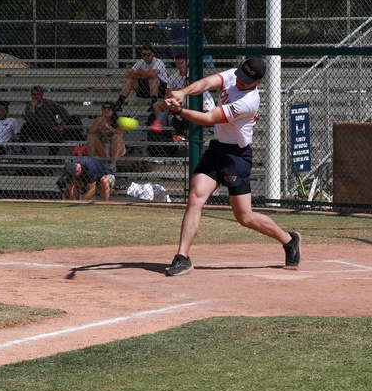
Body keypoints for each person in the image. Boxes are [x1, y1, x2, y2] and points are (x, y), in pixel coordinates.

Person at [163, 56, 301, 276]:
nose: (239, 82)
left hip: (236, 157)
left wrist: (179, 111)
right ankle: (182, 257)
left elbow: (209, 118)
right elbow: (207, 83)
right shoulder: (235, 75)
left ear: (257, 83)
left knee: (244, 217)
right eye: (240, 76)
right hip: (217, 150)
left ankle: (288, 239)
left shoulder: (249, 101)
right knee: (195, 197)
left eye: (246, 80)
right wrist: (183, 92)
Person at [150, 52, 214, 136]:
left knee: (187, 108)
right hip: (179, 104)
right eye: (178, 63)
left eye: (182, 63)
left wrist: (176, 90)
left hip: (199, 108)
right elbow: (167, 92)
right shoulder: (173, 77)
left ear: (187, 63)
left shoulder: (193, 75)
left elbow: (191, 87)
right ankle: (164, 132)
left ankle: (187, 133)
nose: (180, 65)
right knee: (157, 105)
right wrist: (178, 90)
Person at [114, 44, 167, 119]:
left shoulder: (158, 62)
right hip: (145, 89)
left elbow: (152, 74)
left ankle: (154, 103)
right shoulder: (141, 62)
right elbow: (128, 73)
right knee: (130, 79)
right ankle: (119, 103)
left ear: (152, 54)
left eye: (148, 54)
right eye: (144, 54)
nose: (146, 57)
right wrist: (145, 75)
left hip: (160, 89)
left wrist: (137, 73)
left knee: (153, 79)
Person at [17, 86, 70, 153]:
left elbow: (64, 113)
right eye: (34, 94)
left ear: (42, 95)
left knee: (56, 134)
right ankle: (22, 151)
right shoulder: (29, 106)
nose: (36, 96)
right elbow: (30, 120)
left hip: (49, 129)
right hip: (36, 129)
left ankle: (51, 158)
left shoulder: (50, 103)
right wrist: (32, 107)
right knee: (25, 126)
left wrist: (61, 126)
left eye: (38, 94)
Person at [86, 102, 126, 168]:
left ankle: (113, 165)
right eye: (104, 108)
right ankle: (90, 163)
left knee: (116, 137)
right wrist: (97, 127)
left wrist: (109, 127)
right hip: (103, 147)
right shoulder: (98, 120)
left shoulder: (118, 121)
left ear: (113, 111)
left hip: (117, 147)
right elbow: (90, 133)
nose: (106, 110)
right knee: (91, 137)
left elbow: (121, 134)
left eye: (109, 108)